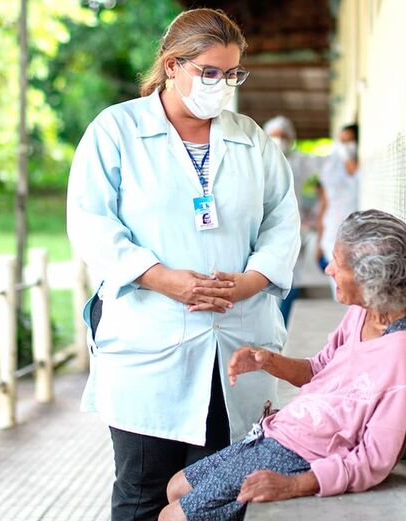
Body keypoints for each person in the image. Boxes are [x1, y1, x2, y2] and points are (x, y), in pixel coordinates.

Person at [66, 8, 301, 520]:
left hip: (234, 341)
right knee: (142, 490)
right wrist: (160, 278)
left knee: (216, 497)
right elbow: (90, 222)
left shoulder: (251, 138)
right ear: (172, 66)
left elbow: (283, 220)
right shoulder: (117, 130)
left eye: (232, 73)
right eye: (209, 72)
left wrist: (251, 281)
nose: (222, 85)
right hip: (149, 343)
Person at [158, 209, 406, 521]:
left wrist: (295, 484)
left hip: (302, 455)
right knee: (176, 487)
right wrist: (267, 360)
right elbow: (320, 369)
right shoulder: (363, 312)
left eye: (339, 263)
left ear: (370, 278)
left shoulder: (400, 350)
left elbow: (375, 458)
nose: (329, 270)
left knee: (171, 517)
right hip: (278, 432)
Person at [263, 115, 327, 325]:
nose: (279, 140)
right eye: (274, 136)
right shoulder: (258, 160)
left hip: (293, 226)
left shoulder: (300, 161)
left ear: (291, 139)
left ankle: (282, 322)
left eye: (283, 136)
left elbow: (326, 174)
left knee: (291, 276)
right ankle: (269, 322)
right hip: (264, 227)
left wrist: (313, 214)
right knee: (265, 274)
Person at [316, 123, 359, 274]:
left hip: (357, 234)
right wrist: (319, 241)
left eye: (350, 141)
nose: (346, 145)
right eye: (342, 141)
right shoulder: (331, 169)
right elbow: (324, 204)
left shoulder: (363, 168)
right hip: (331, 233)